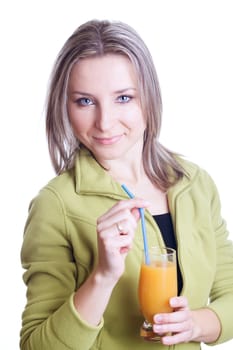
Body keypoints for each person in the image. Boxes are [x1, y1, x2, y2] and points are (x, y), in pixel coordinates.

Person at [20, 19, 233, 350]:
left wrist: (196, 324)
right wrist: (102, 277)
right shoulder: (56, 204)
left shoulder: (195, 185)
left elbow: (230, 292)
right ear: (65, 106)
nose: (105, 122)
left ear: (148, 97)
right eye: (85, 101)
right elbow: (37, 345)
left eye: (123, 97)